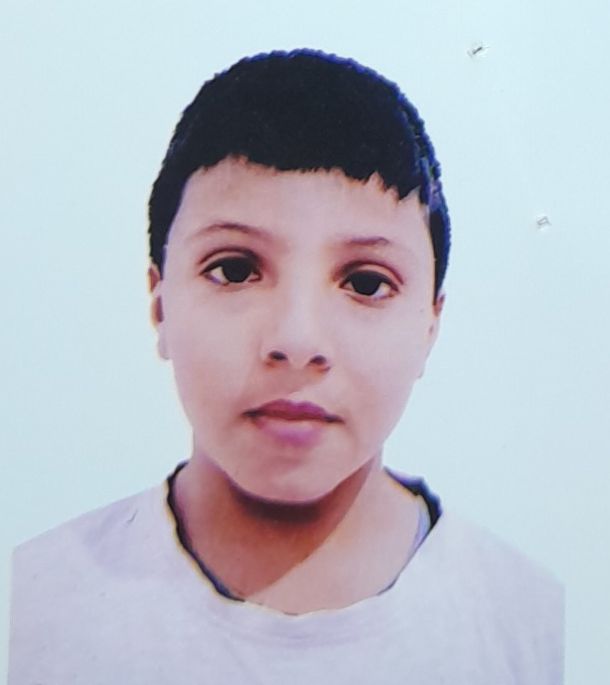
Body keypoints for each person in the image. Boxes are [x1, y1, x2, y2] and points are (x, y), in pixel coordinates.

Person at [9, 49, 563, 683]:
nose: (297, 341)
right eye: (235, 270)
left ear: (429, 325)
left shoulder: (539, 630)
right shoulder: (30, 612)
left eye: (365, 282)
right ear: (159, 303)